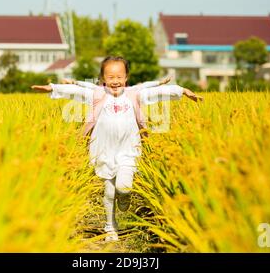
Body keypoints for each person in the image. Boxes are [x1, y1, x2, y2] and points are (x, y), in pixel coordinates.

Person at [31, 56, 204, 242]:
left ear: (126, 77)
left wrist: (183, 91)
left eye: (119, 77)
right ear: (103, 78)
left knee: (123, 187)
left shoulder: (134, 95)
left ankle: (124, 196)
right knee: (109, 190)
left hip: (129, 150)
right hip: (104, 150)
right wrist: (53, 88)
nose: (115, 81)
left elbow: (159, 92)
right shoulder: (97, 95)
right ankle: (110, 226)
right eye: (110, 77)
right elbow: (75, 91)